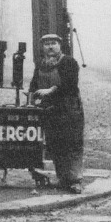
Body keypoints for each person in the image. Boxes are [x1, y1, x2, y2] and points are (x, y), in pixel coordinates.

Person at [29, 33, 86, 192]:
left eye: (53, 43)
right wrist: (33, 97)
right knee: (55, 145)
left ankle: (75, 181)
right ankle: (63, 179)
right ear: (43, 47)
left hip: (69, 111)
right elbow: (34, 86)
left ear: (60, 45)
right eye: (46, 44)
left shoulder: (68, 62)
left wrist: (51, 90)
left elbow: (70, 85)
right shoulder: (41, 65)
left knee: (72, 144)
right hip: (50, 112)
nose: (50, 46)